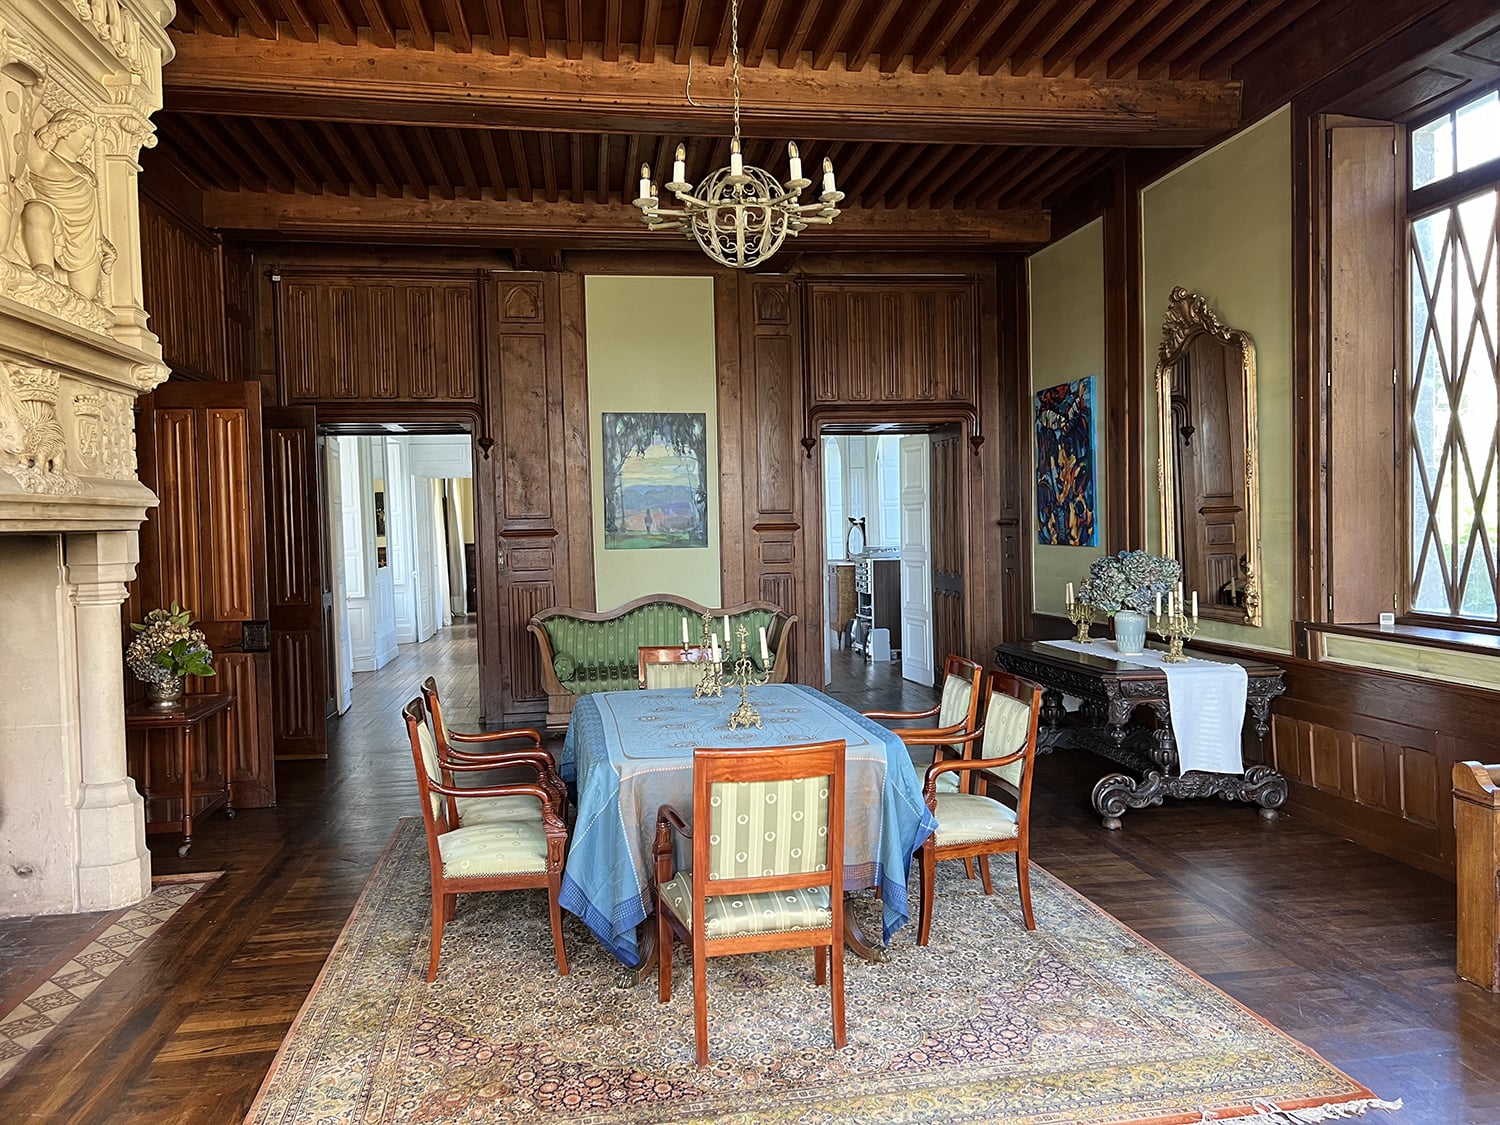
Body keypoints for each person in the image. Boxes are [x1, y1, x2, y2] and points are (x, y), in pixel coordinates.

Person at [18, 109, 114, 300]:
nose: (88, 145)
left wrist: (102, 240)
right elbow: (22, 124)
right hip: (56, 222)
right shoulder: (43, 159)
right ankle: (43, 266)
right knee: (37, 212)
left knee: (86, 295)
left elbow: (93, 210)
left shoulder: (87, 172)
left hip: (84, 237)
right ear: (66, 131)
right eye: (85, 137)